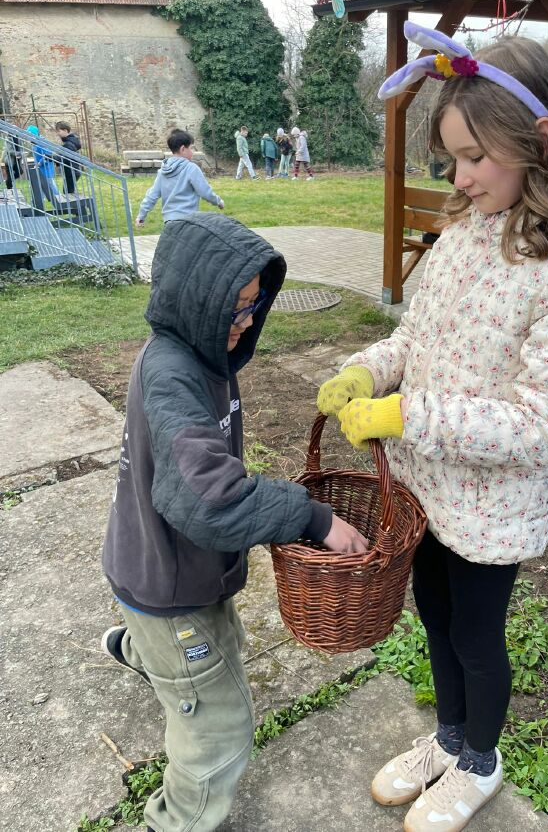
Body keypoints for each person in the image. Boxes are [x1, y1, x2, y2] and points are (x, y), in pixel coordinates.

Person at [318, 22, 548, 832]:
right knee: (432, 610)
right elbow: (415, 336)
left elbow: (544, 424)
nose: (458, 176)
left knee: (476, 635)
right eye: (450, 158)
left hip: (492, 506)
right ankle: (449, 738)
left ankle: (479, 763)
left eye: (473, 156)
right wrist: (367, 371)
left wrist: (405, 414)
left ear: (538, 140)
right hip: (427, 484)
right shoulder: (463, 229)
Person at [100, 213, 368, 832]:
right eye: (235, 308)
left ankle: (140, 650)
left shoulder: (199, 355)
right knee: (219, 729)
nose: (247, 321)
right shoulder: (172, 376)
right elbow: (209, 502)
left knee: (227, 644)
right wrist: (310, 517)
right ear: (195, 300)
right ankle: (176, 821)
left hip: (162, 564)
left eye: (254, 305)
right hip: (169, 583)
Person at [136, 129, 224, 228]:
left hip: (169, 223)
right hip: (188, 222)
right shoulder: (191, 168)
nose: (193, 152)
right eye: (191, 148)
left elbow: (151, 196)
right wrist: (218, 201)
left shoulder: (162, 172)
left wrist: (141, 215)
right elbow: (205, 192)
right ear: (183, 149)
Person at [26, 124, 61, 205]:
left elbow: (47, 154)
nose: (28, 137)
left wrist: (39, 163)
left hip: (46, 168)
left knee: (50, 185)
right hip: (41, 169)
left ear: (34, 134)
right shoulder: (34, 143)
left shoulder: (41, 142)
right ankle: (36, 203)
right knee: (40, 185)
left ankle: (60, 200)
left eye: (29, 135)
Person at [55, 121, 82, 194]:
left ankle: (76, 201)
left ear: (65, 130)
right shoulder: (70, 142)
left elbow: (65, 157)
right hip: (72, 171)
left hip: (71, 172)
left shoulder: (69, 143)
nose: (58, 133)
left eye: (59, 131)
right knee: (69, 192)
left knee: (68, 194)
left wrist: (53, 158)